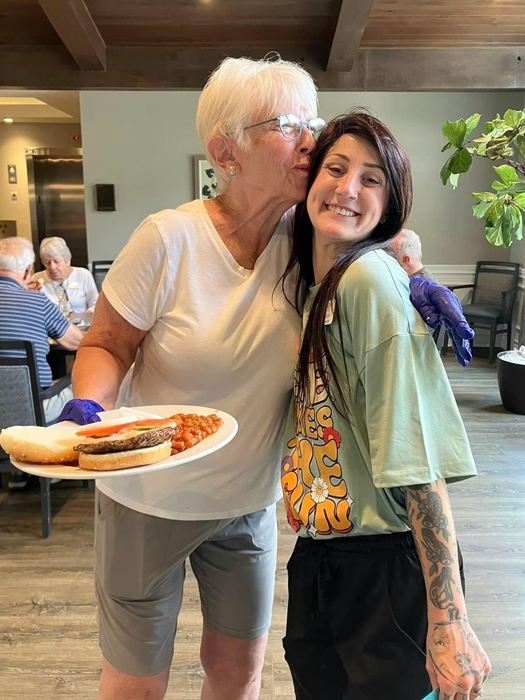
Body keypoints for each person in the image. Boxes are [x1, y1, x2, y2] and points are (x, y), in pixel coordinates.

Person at [56, 57, 473, 700]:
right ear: (226, 150)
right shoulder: (167, 239)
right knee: (136, 682)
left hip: (246, 504)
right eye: (287, 124)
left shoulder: (302, 234)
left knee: (239, 673)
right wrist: (89, 403)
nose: (311, 137)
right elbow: (108, 343)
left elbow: (367, 239)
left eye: (313, 119)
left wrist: (412, 281)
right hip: (149, 499)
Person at [280, 112, 490, 700]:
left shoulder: (368, 282)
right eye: (336, 168)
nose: (348, 189)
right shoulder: (312, 285)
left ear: (391, 204)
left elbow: (418, 463)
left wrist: (449, 619)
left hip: (388, 568)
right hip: (321, 556)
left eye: (372, 180)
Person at [0, 237, 83, 487]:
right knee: (77, 383)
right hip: (30, 410)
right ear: (28, 270)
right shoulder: (36, 301)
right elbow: (75, 342)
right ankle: (49, 462)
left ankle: (17, 471)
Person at [32, 236, 99, 314]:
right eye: (47, 263)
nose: (52, 267)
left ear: (67, 260)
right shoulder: (37, 279)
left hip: (81, 324)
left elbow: (96, 305)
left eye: (56, 261)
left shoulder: (83, 275)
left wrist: (82, 317)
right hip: (50, 325)